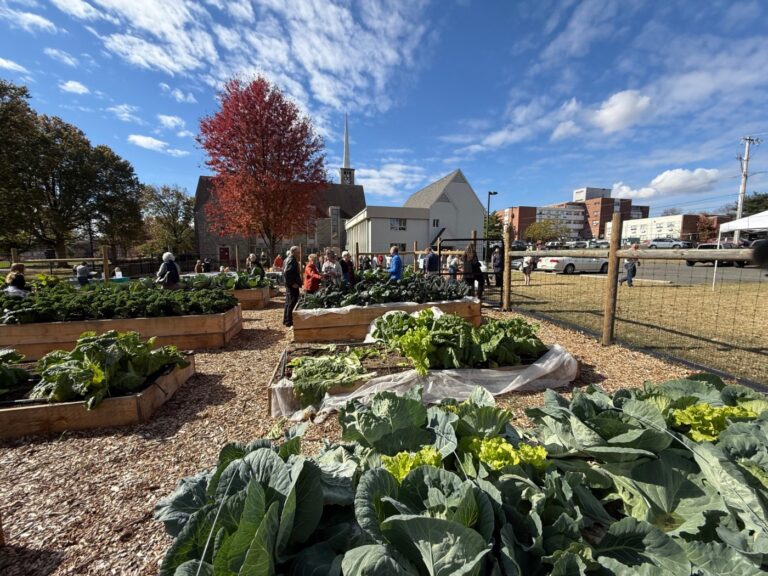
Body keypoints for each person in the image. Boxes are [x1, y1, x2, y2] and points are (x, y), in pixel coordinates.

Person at [283, 246, 301, 327]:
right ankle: (289, 321)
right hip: (292, 285)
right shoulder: (291, 260)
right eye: (298, 252)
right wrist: (292, 283)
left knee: (288, 302)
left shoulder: (287, 259)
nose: (299, 254)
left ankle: (286, 320)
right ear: (293, 252)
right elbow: (287, 272)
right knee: (292, 302)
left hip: (288, 285)